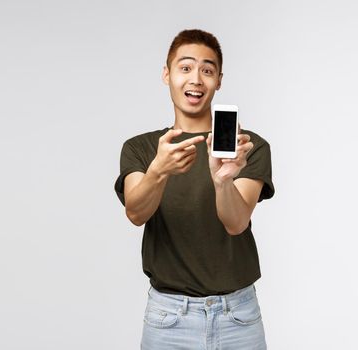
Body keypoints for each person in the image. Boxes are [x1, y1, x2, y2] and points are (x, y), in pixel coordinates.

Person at [114, 29, 274, 350]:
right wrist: (159, 169)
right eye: (185, 67)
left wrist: (222, 179)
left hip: (238, 316)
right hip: (169, 318)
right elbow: (135, 212)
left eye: (207, 70)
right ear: (167, 74)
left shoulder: (247, 148)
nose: (196, 79)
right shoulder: (142, 149)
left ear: (219, 80)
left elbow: (236, 222)